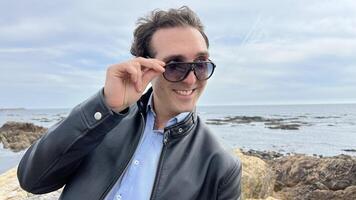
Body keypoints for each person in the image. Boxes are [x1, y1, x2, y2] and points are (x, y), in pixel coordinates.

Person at [17, 6, 241, 200]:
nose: (191, 79)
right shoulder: (104, 120)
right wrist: (105, 106)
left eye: (201, 64)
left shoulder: (221, 164)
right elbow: (33, 180)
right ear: (146, 66)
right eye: (174, 65)